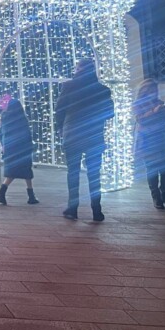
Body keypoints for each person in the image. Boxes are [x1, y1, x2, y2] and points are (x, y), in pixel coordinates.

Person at [54, 58, 113, 222]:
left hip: (72, 133)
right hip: (94, 135)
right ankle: (97, 209)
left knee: (73, 172)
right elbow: (110, 113)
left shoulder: (69, 86)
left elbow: (59, 109)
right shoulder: (103, 90)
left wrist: (60, 128)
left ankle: (73, 208)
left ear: (79, 69)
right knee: (94, 173)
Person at [133, 79, 165, 210]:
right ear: (145, 90)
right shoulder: (138, 104)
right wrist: (154, 111)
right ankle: (156, 198)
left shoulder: (160, 103)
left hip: (162, 137)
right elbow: (140, 119)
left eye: (156, 90)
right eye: (152, 90)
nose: (154, 92)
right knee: (152, 169)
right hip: (147, 139)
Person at [0, 95, 39, 206]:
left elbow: (1, 133)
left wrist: (4, 145)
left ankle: (3, 191)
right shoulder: (21, 119)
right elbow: (26, 133)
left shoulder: (4, 117)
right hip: (22, 147)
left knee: (13, 171)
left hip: (9, 147)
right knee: (26, 170)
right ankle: (30, 195)